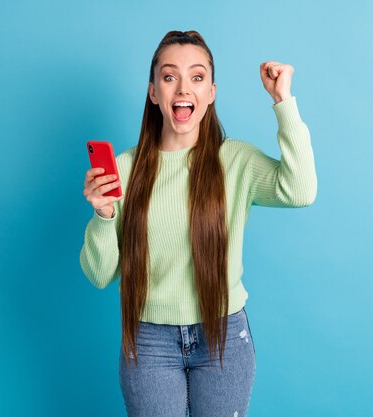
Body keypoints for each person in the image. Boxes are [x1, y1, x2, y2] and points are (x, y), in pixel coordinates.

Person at [79, 30, 317, 417]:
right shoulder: (124, 168)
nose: (183, 88)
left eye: (197, 77)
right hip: (149, 341)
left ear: (211, 92)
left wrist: (283, 101)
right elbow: (99, 274)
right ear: (154, 91)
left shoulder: (236, 161)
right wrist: (104, 216)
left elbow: (301, 190)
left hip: (222, 337)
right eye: (170, 77)